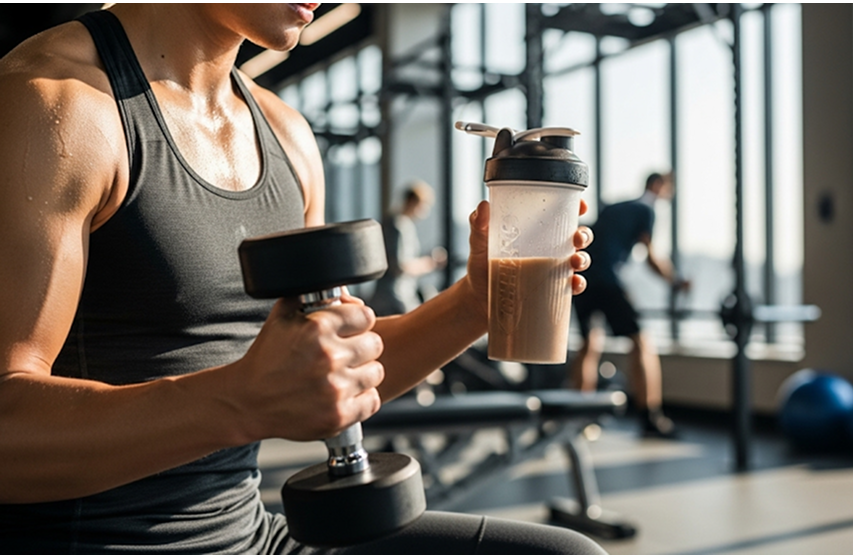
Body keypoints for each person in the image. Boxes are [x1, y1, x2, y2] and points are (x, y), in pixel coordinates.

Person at [0, 5, 602, 554]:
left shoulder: (286, 135)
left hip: (255, 536)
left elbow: (327, 369)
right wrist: (239, 401)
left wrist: (475, 302)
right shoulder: (55, 106)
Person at [571, 172, 688, 438]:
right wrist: (676, 280)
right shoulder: (646, 210)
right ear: (658, 186)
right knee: (641, 342)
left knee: (589, 344)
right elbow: (651, 259)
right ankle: (651, 418)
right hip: (608, 280)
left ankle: (580, 417)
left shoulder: (615, 207)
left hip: (583, 278)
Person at [369, 180, 447, 316]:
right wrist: (429, 263)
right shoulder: (398, 226)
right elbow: (400, 266)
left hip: (394, 295)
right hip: (395, 298)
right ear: (413, 202)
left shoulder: (397, 223)